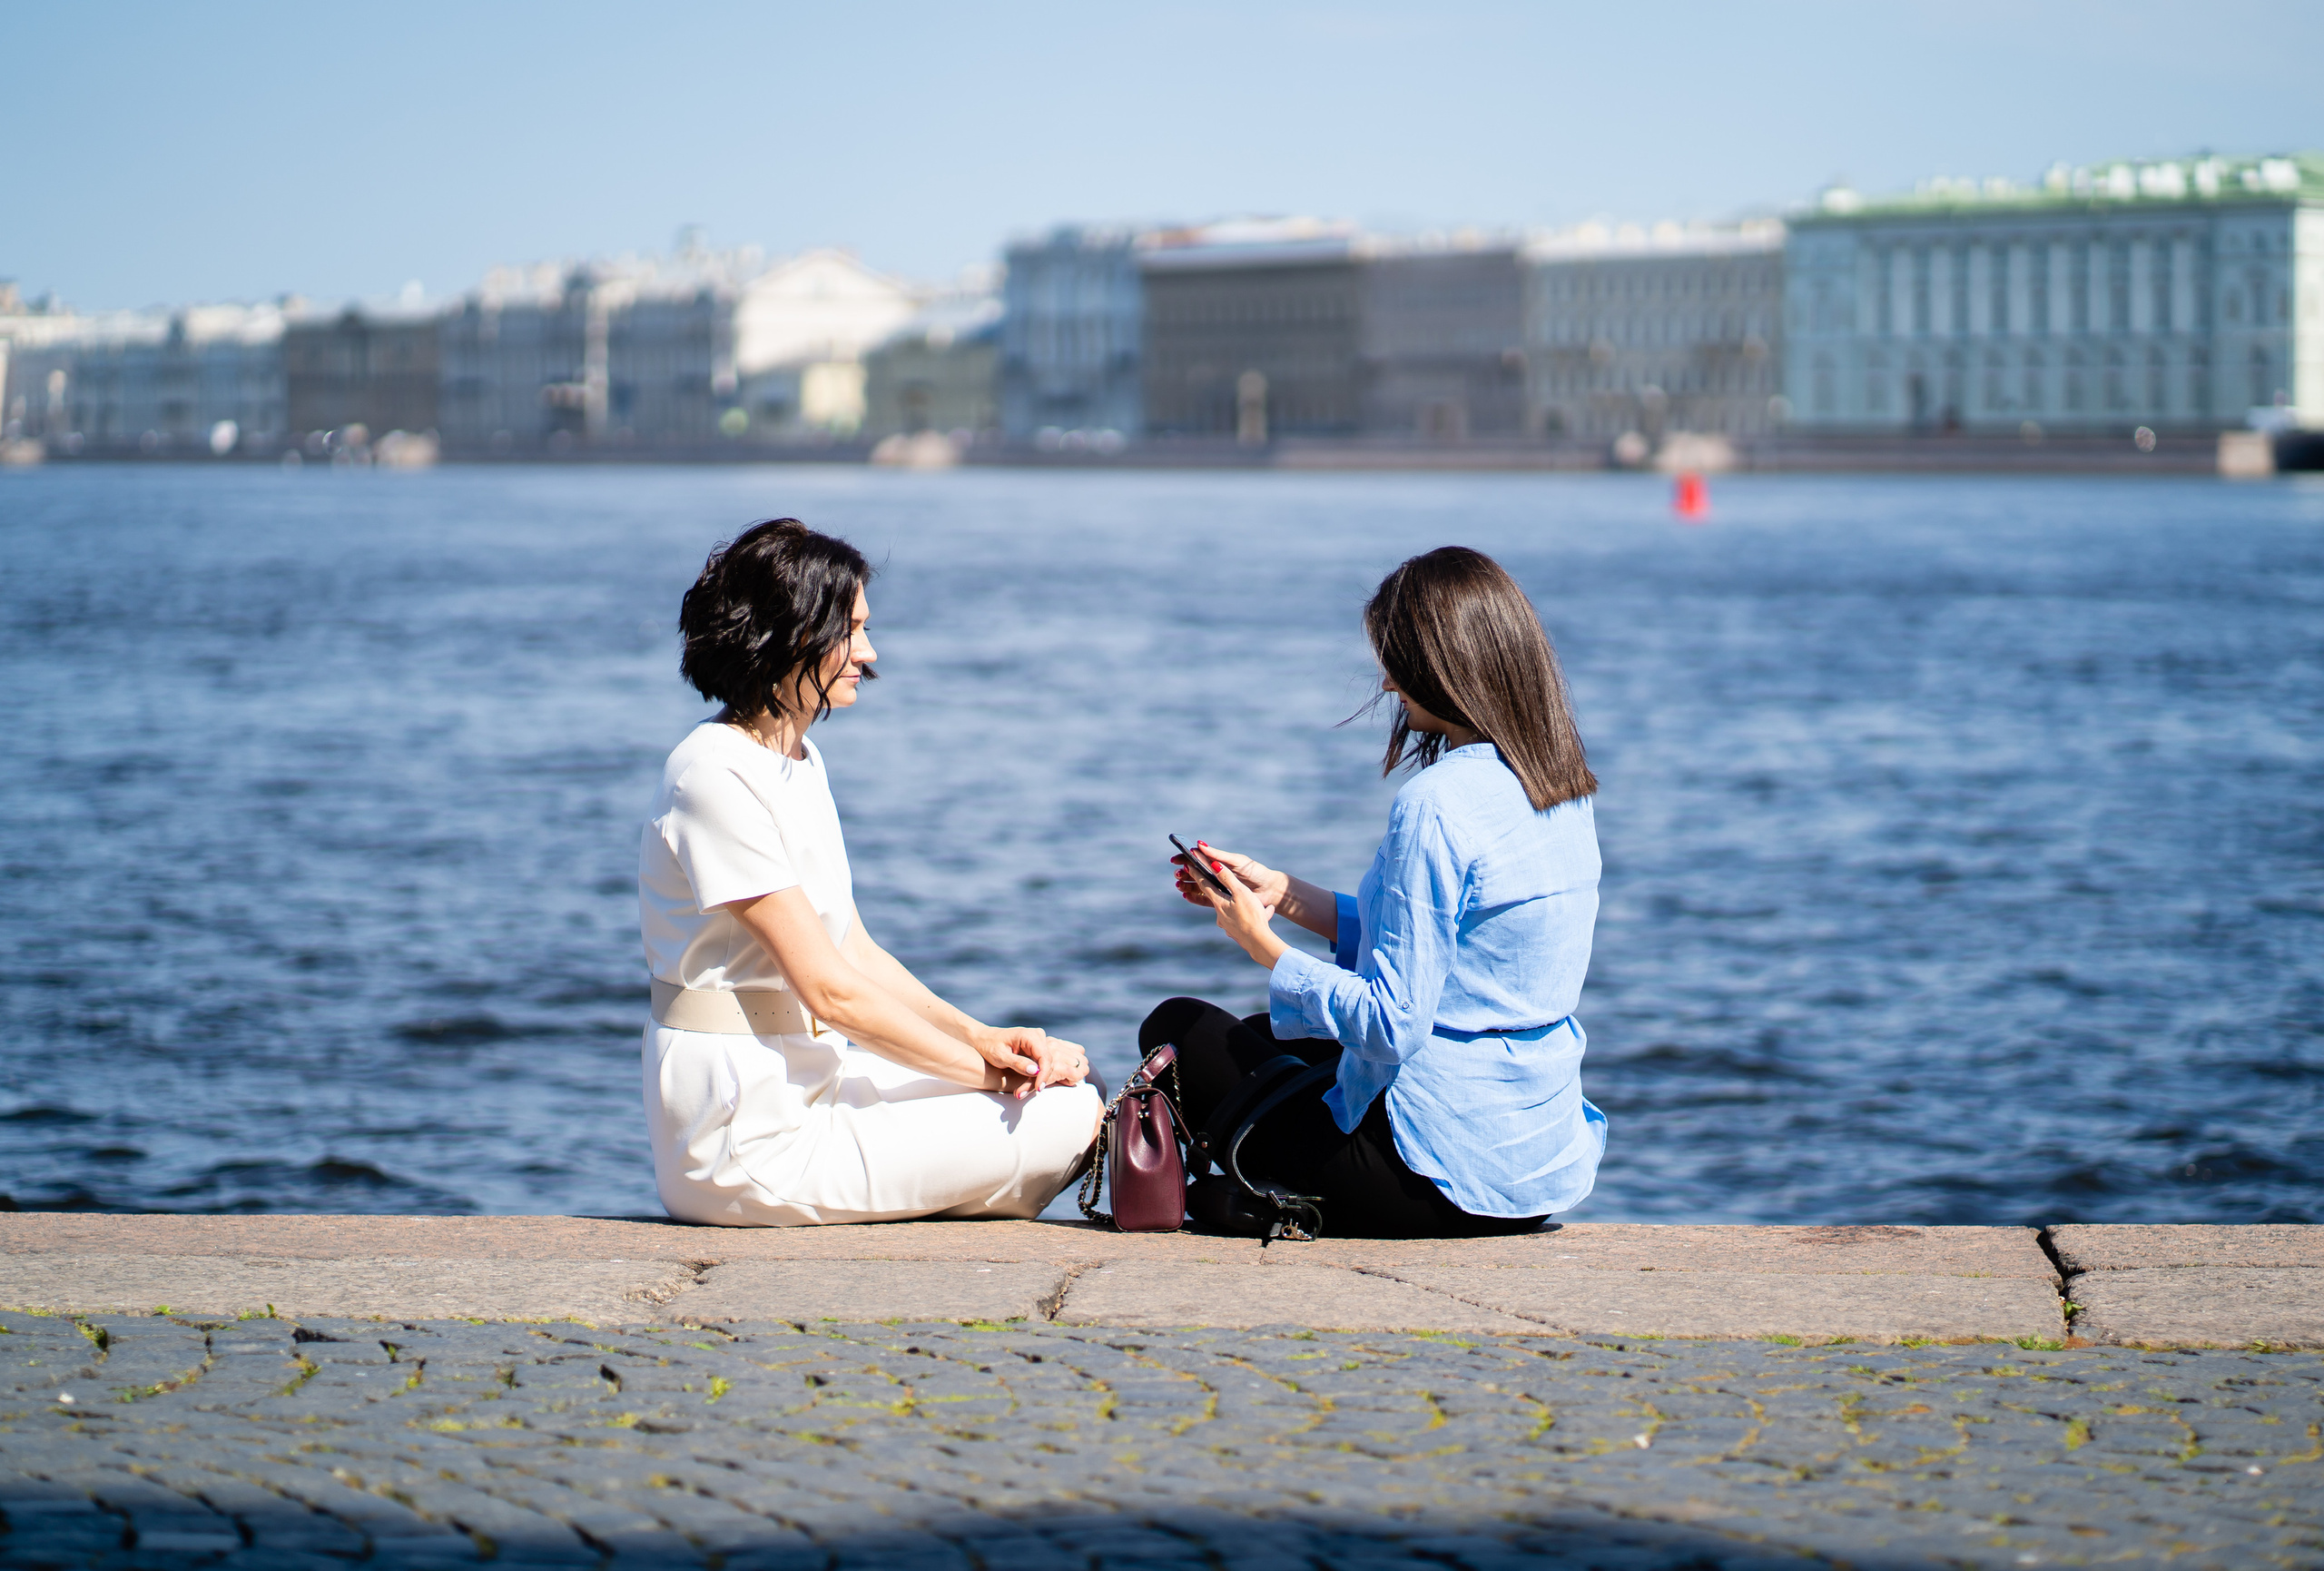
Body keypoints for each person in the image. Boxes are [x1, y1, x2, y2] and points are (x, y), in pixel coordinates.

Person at [639, 519, 1100, 1226]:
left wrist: (982, 1039)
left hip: (807, 1080)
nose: (868, 651)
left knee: (1066, 1098)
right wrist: (988, 1074)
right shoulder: (713, 775)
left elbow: (851, 950)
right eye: (850, 631)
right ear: (793, 632)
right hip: (743, 1132)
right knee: (1063, 1117)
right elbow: (830, 992)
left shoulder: (796, 760)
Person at [1149, 546, 1606, 1239]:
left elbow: (1394, 1025)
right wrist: (1285, 894)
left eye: (1394, 661)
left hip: (1429, 1176)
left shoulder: (1435, 804)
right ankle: (1265, 1186)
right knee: (1265, 1037)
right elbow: (1451, 944)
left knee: (1179, 1030)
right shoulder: (1560, 783)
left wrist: (1263, 945)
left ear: (1442, 667)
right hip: (1532, 1168)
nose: (1389, 684)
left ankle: (1263, 1196)